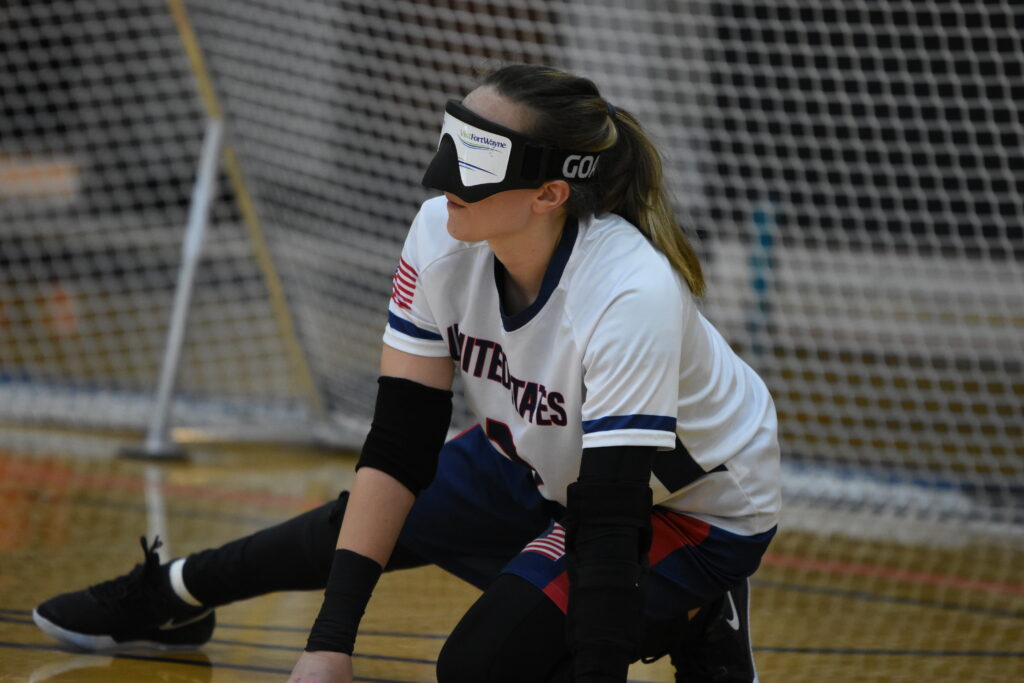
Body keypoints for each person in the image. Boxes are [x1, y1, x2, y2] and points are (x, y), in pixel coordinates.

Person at [33, 64, 781, 683]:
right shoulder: (439, 233)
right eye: (451, 137)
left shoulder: (628, 289)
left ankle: (700, 608)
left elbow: (613, 524)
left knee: (482, 665)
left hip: (686, 506)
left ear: (552, 192)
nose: (443, 171)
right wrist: (328, 644)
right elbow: (398, 448)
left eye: (479, 155)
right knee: (361, 515)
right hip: (534, 456)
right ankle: (172, 594)